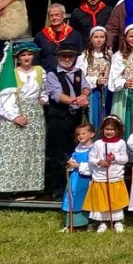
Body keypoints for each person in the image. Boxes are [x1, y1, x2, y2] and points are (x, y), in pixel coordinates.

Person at [0, 40, 47, 196]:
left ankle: (29, 187)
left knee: (31, 151)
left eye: (29, 54)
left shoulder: (40, 71)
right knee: (12, 151)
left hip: (35, 114)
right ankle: (7, 188)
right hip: (16, 112)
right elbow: (5, 97)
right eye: (23, 55)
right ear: (18, 58)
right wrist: (15, 116)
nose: (27, 58)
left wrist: (43, 98)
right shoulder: (12, 73)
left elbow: (44, 90)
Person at [42, 45, 90, 199]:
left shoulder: (78, 72)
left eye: (70, 56)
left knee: (74, 151)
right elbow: (57, 95)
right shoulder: (52, 74)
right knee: (58, 153)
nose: (67, 59)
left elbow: (86, 86)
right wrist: (75, 101)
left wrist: (84, 95)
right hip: (59, 119)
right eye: (64, 57)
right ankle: (57, 188)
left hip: (75, 119)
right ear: (58, 58)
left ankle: (74, 185)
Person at [85, 115, 131, 232]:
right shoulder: (98, 143)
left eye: (112, 129)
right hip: (100, 177)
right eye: (107, 129)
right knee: (102, 200)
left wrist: (115, 158)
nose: (109, 132)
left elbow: (125, 159)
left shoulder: (121, 143)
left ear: (117, 130)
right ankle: (102, 222)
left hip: (115, 176)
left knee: (115, 200)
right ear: (102, 130)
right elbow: (91, 158)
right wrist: (99, 161)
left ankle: (117, 220)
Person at [61, 122, 95, 232]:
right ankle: (71, 224)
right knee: (71, 197)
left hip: (85, 179)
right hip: (75, 178)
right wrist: (71, 162)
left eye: (83, 133)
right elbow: (74, 158)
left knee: (84, 200)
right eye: (78, 134)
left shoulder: (93, 149)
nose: (80, 136)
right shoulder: (78, 148)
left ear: (91, 134)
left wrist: (78, 165)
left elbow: (92, 166)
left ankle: (87, 223)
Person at [79, 27, 112, 128]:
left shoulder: (109, 54)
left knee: (106, 115)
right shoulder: (84, 56)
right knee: (94, 117)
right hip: (92, 91)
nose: (99, 39)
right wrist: (95, 81)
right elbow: (81, 76)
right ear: (91, 38)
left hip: (107, 91)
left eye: (102, 37)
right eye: (96, 37)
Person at [35, 3, 84, 71]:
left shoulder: (75, 35)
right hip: (47, 74)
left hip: (69, 74)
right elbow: (36, 58)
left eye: (57, 15)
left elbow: (79, 56)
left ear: (64, 15)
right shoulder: (40, 36)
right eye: (51, 16)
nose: (54, 18)